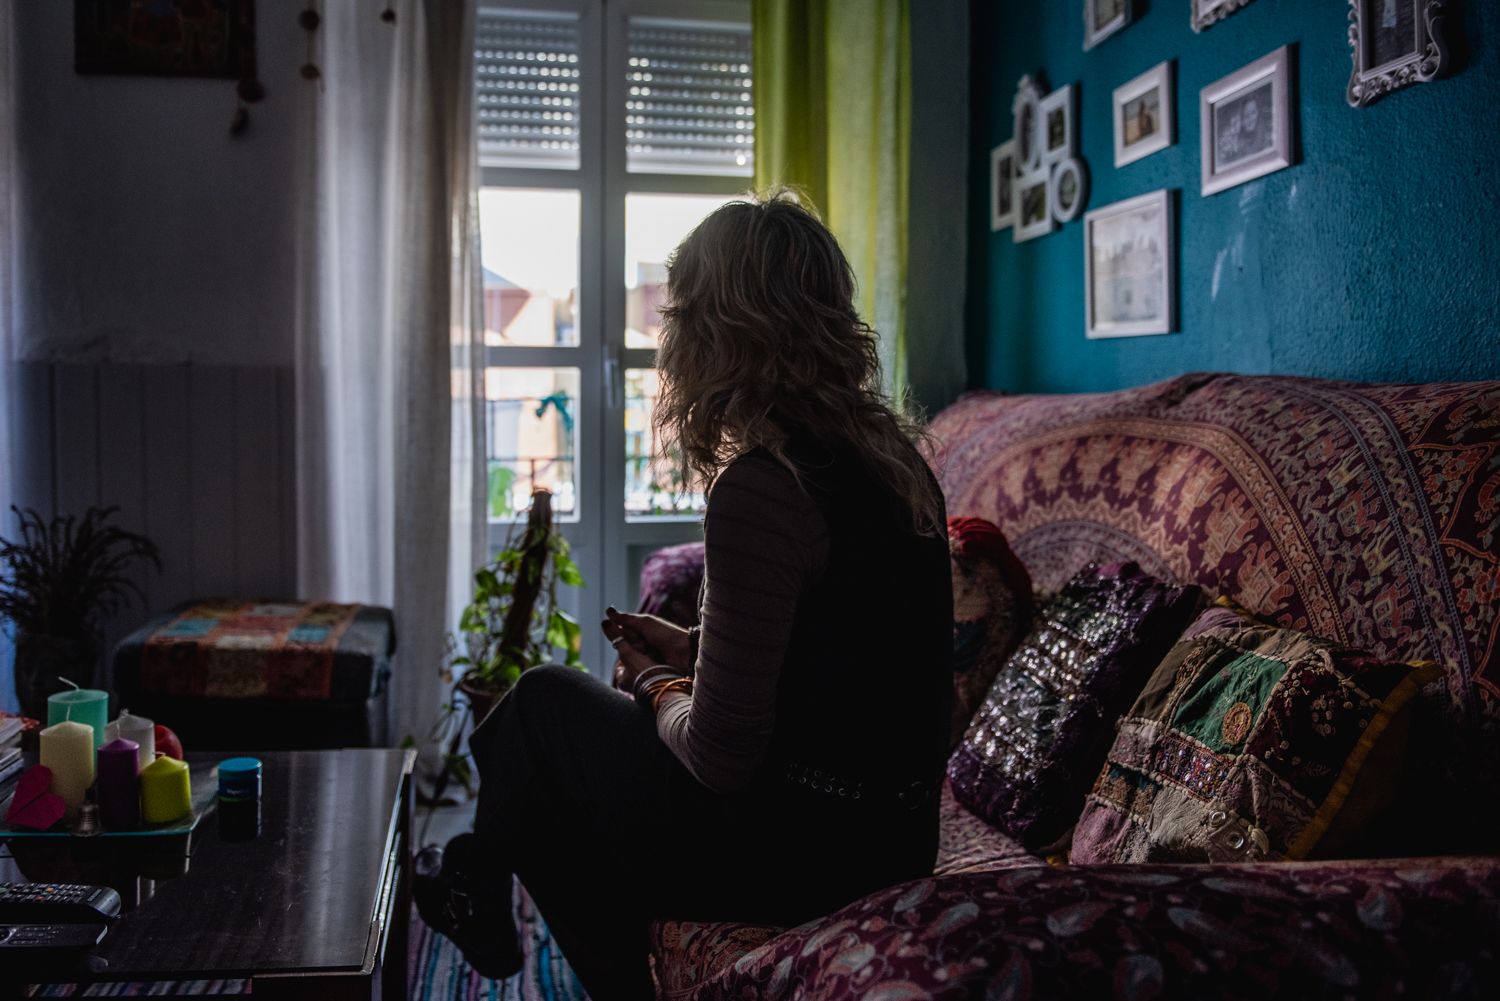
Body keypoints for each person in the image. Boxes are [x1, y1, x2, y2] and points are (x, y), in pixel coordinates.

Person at [415, 190, 954, 1000]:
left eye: (678, 315)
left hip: (809, 854)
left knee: (538, 710)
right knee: (550, 746)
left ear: (718, 332)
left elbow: (721, 759)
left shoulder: (764, 487)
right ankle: (478, 875)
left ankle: (490, 889)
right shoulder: (895, 459)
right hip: (892, 839)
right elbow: (846, 665)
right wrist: (694, 649)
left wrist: (656, 681)